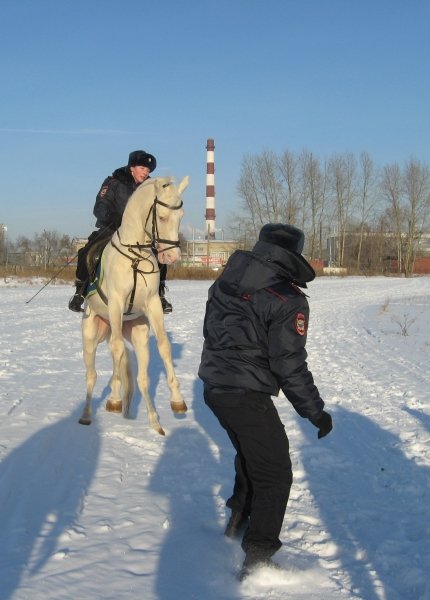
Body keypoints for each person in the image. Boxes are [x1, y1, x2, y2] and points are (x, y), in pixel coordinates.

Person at [198, 223, 333, 581]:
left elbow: (211, 332)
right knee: (275, 472)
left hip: (214, 387)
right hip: (245, 393)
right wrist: (315, 412)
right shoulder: (287, 299)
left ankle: (238, 523)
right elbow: (288, 365)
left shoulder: (225, 281)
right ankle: (258, 558)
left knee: (251, 456)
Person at [68, 149, 173, 314]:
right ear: (132, 167)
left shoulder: (152, 187)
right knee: (87, 252)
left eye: (148, 170)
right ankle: (80, 292)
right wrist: (113, 217)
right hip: (111, 228)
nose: (145, 173)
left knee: (160, 256)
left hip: (140, 235)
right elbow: (100, 206)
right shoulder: (113, 182)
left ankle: (159, 294)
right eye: (142, 168)